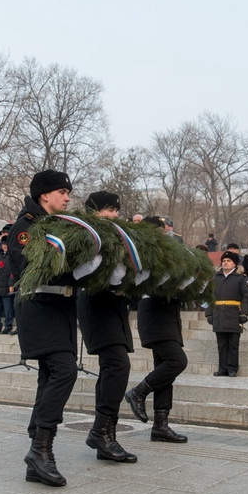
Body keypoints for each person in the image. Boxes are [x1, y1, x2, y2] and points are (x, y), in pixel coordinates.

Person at [9, 169, 77, 487]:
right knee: (64, 371)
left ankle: (37, 453)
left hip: (61, 309)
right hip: (38, 307)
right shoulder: (27, 226)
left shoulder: (60, 226)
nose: (67, 197)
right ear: (44, 195)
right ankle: (39, 450)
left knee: (50, 375)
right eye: (62, 192)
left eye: (68, 192)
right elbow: (29, 267)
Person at [77, 191, 138, 464]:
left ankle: (104, 433)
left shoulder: (116, 234)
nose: (115, 215)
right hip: (94, 301)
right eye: (109, 210)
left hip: (115, 304)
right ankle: (101, 431)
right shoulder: (87, 233)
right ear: (94, 211)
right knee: (117, 364)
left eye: (116, 210)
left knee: (114, 366)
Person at [124, 215, 189, 444]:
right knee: (177, 361)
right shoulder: (144, 251)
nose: (165, 235)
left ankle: (161, 425)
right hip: (153, 309)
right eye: (161, 231)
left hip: (168, 311)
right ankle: (138, 392)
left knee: (165, 372)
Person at [208, 251, 248, 377]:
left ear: (234, 264)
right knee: (221, 344)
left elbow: (247, 297)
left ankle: (232, 368)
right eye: (224, 261)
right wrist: (208, 314)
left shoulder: (241, 278)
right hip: (218, 313)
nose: (225, 263)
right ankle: (222, 368)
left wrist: (244, 313)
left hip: (234, 314)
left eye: (228, 261)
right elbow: (208, 296)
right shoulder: (215, 278)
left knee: (233, 344)